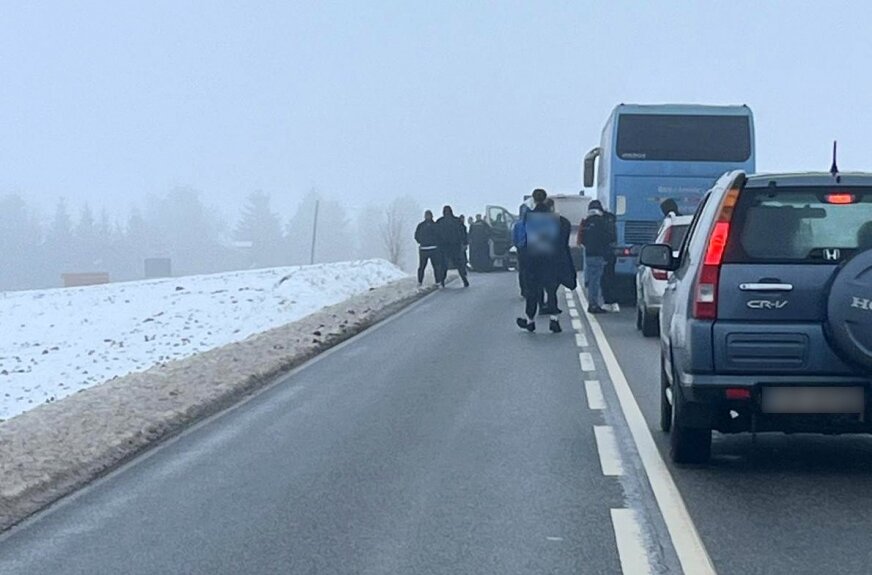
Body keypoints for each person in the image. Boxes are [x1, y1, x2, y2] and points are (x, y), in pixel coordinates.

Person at [515, 189, 572, 333]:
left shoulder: (528, 219)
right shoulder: (558, 220)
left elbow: (521, 242)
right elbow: (562, 241)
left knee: (532, 292)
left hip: (533, 261)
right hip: (552, 261)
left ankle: (530, 321)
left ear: (533, 200)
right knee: (552, 291)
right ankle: (554, 320)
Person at [578, 199, 614, 314]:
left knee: (592, 279)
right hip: (599, 254)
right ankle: (593, 304)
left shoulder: (586, 222)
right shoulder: (602, 221)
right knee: (596, 280)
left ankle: (592, 303)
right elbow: (608, 238)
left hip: (589, 254)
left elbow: (581, 239)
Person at [435, 205, 470, 287]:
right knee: (459, 264)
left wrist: (437, 245)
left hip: (444, 247)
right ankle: (464, 279)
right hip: (455, 246)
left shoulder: (440, 221)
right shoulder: (457, 221)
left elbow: (436, 234)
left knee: (444, 265)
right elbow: (463, 231)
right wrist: (465, 242)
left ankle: (442, 282)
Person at [414, 210, 442, 286]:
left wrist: (421, 242)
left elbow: (416, 236)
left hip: (423, 249)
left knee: (422, 267)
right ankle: (438, 281)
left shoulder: (421, 225)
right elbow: (440, 236)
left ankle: (420, 282)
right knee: (436, 266)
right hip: (434, 249)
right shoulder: (436, 225)